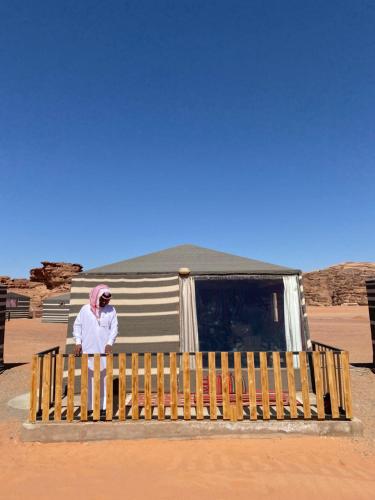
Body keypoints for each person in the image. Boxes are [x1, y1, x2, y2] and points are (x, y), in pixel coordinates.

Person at [72, 284, 118, 411]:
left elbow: (114, 329)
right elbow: (77, 326)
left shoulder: (111, 310)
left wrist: (109, 343)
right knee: (88, 379)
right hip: (88, 350)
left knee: (104, 379)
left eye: (107, 300)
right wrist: (78, 342)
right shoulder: (85, 309)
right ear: (96, 297)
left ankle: (103, 408)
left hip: (104, 352)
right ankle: (89, 408)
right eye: (102, 299)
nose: (104, 302)